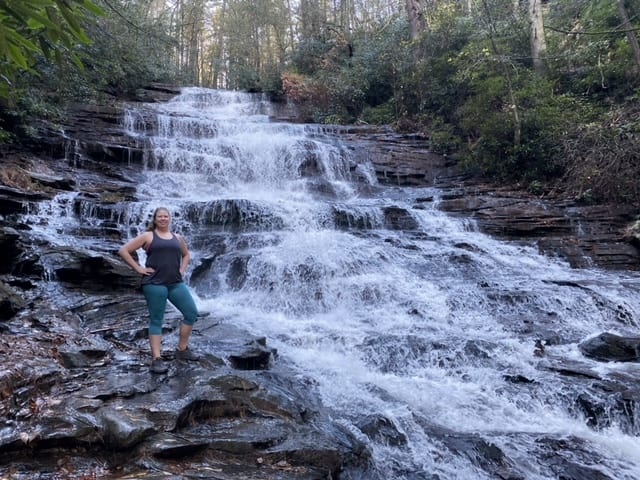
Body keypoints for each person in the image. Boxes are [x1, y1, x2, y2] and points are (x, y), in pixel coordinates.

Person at [119, 207, 200, 373]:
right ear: (155, 219)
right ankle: (156, 358)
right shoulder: (148, 236)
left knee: (191, 313)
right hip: (155, 284)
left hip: (175, 283)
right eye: (160, 216)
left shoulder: (178, 238)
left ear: (169, 218)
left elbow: (186, 255)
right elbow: (124, 250)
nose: (163, 219)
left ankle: (182, 350)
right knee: (157, 320)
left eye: (166, 216)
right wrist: (139, 269)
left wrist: (182, 270)